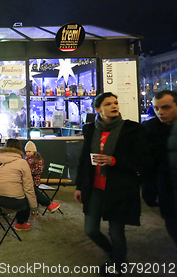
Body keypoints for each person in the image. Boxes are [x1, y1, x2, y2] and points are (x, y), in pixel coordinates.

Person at [74, 92, 148, 275]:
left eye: (115, 103)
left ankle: (118, 264)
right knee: (90, 229)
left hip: (119, 188)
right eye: (108, 104)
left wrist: (114, 161)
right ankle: (113, 253)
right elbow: (84, 160)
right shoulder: (90, 130)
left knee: (116, 231)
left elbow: (141, 160)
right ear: (98, 109)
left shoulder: (131, 129)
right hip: (94, 188)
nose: (114, 106)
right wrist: (78, 186)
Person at [143, 90, 177, 247]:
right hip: (167, 190)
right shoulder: (150, 129)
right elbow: (148, 164)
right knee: (172, 226)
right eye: (156, 108)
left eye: (166, 107)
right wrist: (149, 191)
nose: (160, 112)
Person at [0, 138, 38, 230]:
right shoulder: (22, 162)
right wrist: (34, 207)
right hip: (14, 203)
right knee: (28, 195)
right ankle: (20, 223)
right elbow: (28, 187)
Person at [24, 141, 61, 213]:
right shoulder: (26, 159)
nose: (27, 153)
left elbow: (37, 171)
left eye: (29, 151)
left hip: (34, 181)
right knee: (30, 189)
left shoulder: (38, 160)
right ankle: (48, 204)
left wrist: (26, 172)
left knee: (30, 189)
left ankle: (48, 204)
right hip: (28, 180)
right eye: (26, 152)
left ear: (34, 151)